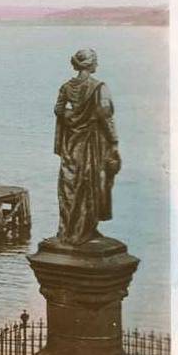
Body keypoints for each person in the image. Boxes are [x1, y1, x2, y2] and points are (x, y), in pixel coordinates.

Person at [53, 48, 121, 245]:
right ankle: (85, 230)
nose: (97, 64)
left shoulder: (66, 87)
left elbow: (59, 110)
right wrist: (114, 142)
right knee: (90, 183)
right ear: (90, 64)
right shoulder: (99, 87)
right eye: (96, 61)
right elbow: (106, 118)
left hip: (71, 143)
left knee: (69, 185)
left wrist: (72, 117)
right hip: (92, 143)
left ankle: (68, 230)